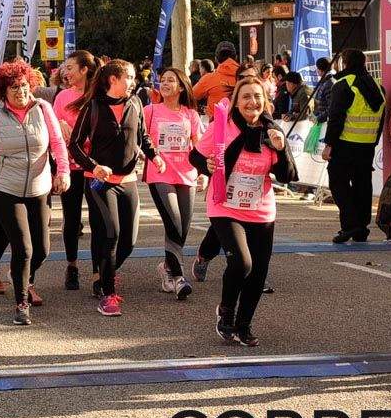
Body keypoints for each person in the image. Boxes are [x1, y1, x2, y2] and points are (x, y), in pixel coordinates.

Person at [0, 61, 69, 325]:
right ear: (3, 90)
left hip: (39, 186)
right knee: (23, 247)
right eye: (13, 87)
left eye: (23, 86)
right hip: (4, 188)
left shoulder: (43, 109)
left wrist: (62, 171)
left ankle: (25, 277)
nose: (20, 91)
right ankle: (21, 302)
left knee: (42, 249)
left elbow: (56, 142)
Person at [190, 77, 295, 346]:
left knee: (259, 272)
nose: (253, 102)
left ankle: (243, 325)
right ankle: (226, 310)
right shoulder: (222, 126)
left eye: (258, 96)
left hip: (261, 208)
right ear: (236, 101)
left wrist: (280, 149)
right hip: (225, 205)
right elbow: (196, 157)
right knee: (242, 263)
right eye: (246, 96)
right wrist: (208, 166)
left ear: (265, 101)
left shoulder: (273, 131)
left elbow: (287, 175)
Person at [69, 59, 161, 317]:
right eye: (129, 78)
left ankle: (103, 273)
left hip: (128, 180)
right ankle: (108, 294)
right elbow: (74, 144)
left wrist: (155, 157)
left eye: (133, 78)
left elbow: (143, 137)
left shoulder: (136, 104)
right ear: (113, 80)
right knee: (111, 233)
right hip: (100, 182)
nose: (133, 82)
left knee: (128, 242)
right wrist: (94, 165)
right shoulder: (94, 106)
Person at [144, 68, 204, 301]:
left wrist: (203, 172)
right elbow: (142, 138)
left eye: (171, 80)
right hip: (160, 173)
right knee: (174, 222)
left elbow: (199, 146)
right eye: (163, 80)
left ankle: (167, 268)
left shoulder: (190, 115)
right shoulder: (150, 111)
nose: (165, 83)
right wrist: (148, 155)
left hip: (186, 174)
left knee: (183, 228)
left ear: (181, 87)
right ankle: (178, 278)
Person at [48, 51, 101, 291]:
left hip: (96, 166)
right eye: (64, 68)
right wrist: (58, 127)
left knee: (99, 219)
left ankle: (98, 271)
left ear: (84, 70)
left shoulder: (98, 96)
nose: (64, 72)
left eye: (70, 68)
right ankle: (72, 265)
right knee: (71, 220)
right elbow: (54, 133)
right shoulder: (61, 97)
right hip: (70, 166)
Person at [323, 49, 386, 244]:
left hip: (344, 144)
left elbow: (336, 118)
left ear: (345, 63)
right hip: (366, 146)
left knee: (338, 184)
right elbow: (381, 119)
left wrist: (329, 145)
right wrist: (373, 142)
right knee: (362, 186)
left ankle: (350, 225)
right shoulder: (377, 86)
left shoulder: (343, 84)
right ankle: (361, 227)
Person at [192, 42, 240, 111]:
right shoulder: (248, 77)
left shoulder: (208, 79)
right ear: (236, 57)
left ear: (216, 59)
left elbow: (192, 95)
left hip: (217, 120)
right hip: (245, 120)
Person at [309, 57, 335, 125]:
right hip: (322, 120)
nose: (316, 70)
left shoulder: (329, 83)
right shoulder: (324, 81)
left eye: (317, 68)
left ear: (320, 69)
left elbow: (331, 107)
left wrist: (318, 118)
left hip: (325, 123)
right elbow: (320, 101)